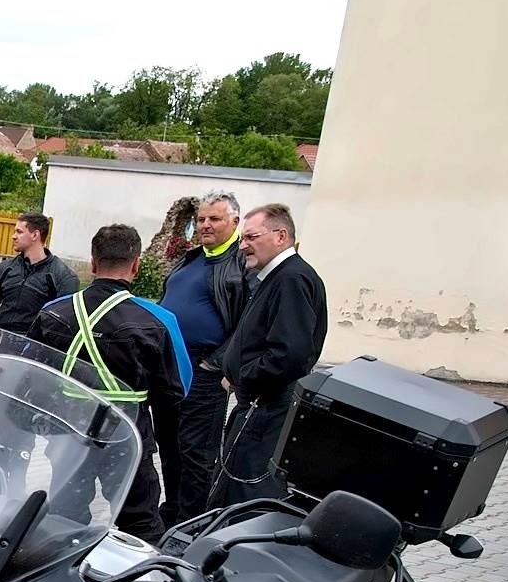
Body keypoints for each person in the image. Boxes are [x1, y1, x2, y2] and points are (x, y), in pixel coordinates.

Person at [29, 224, 190, 543]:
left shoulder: (52, 313)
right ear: (136, 265)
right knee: (141, 522)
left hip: (69, 438)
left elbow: (32, 376)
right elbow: (176, 391)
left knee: (65, 518)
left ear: (92, 262)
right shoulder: (159, 321)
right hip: (126, 439)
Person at [210, 203, 327, 506]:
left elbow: (289, 354)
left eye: (251, 237)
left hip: (268, 410)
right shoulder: (276, 277)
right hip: (259, 406)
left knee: (246, 499)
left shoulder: (291, 278)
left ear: (280, 236)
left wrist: (242, 379)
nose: (243, 246)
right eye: (242, 239)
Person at [156, 189, 251, 526]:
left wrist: (216, 362)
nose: (205, 225)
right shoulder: (193, 257)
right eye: (201, 219)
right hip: (170, 366)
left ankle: (192, 523)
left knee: (196, 451)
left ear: (235, 221)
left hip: (203, 368)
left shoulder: (241, 262)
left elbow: (248, 322)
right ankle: (173, 513)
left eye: (215, 219)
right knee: (169, 446)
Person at [0, 212, 79, 335]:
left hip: (36, 346)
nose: (13, 236)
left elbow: (63, 321)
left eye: (19, 232)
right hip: (2, 341)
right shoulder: (4, 268)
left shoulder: (62, 276)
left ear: (35, 235)